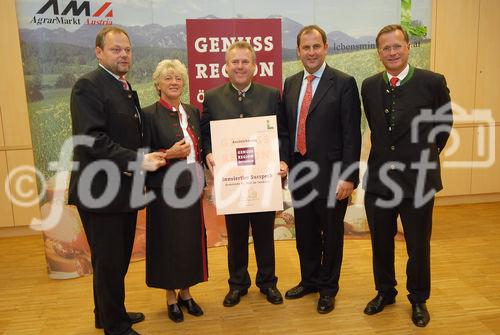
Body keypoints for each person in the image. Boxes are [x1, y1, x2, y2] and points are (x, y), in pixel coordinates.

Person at [69, 26, 167, 335]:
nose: (123, 54)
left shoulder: (122, 86)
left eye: (127, 49)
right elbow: (92, 140)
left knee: (114, 260)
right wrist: (139, 160)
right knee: (110, 262)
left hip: (122, 190)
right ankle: (115, 326)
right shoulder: (89, 86)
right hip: (100, 192)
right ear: (98, 52)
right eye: (115, 49)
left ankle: (108, 313)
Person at [361, 24, 452, 327]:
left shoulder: (432, 82)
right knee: (381, 243)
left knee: (417, 245)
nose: (392, 52)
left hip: (418, 181)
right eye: (386, 47)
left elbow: (442, 128)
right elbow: (377, 128)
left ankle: (418, 299)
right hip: (379, 181)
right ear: (379, 52)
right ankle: (385, 292)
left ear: (408, 47)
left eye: (397, 46)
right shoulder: (370, 85)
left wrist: (421, 156)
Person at [278, 25, 361, 314]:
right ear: (298, 50)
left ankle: (328, 288)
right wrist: (284, 161)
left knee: (331, 234)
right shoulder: (289, 84)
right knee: (306, 233)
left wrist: (349, 177)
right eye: (306, 47)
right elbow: (286, 131)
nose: (311, 52)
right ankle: (310, 280)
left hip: (332, 177)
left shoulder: (344, 83)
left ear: (325, 48)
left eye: (316, 46)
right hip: (300, 175)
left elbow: (352, 134)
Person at [200, 41, 287, 307]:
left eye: (245, 62)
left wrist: (283, 160)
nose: (240, 67)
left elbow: (281, 133)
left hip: (263, 180)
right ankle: (237, 284)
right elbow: (205, 133)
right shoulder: (212, 97)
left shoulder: (271, 95)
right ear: (226, 67)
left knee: (264, 233)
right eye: (234, 62)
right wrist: (208, 153)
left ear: (255, 66)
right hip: (232, 180)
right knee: (236, 235)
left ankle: (268, 282)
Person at [142, 59, 208, 323]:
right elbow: (142, 156)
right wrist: (168, 154)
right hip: (164, 189)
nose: (174, 83)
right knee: (167, 243)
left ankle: (186, 293)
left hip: (191, 186)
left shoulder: (192, 111)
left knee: (189, 242)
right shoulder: (148, 114)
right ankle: (170, 297)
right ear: (158, 84)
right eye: (168, 78)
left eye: (178, 78)